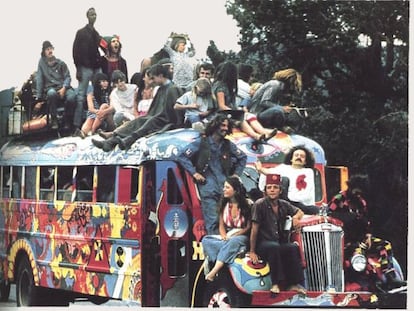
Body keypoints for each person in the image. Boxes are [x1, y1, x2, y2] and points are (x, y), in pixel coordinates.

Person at [329, 174, 406, 291]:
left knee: (385, 245)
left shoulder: (361, 202)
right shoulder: (339, 198)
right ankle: (365, 283)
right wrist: (349, 218)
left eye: (361, 191)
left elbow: (366, 220)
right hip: (344, 239)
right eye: (356, 190)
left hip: (360, 238)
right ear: (351, 187)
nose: (358, 193)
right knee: (358, 251)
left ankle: (390, 276)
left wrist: (368, 235)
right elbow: (329, 215)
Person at [175, 113, 247, 234]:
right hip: (208, 188)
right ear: (215, 125)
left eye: (227, 126)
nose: (225, 128)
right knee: (213, 222)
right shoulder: (201, 142)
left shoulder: (228, 145)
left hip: (225, 189)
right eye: (222, 125)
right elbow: (182, 156)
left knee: (228, 221)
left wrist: (236, 175)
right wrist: (194, 173)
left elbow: (243, 157)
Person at [92, 64, 182, 151]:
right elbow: (154, 110)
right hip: (157, 117)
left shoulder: (172, 89)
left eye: (153, 78)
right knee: (139, 120)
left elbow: (172, 113)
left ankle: (123, 140)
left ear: (161, 76)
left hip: (164, 121)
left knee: (149, 121)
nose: (152, 81)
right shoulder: (162, 89)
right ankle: (110, 141)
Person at [249, 173, 306, 294]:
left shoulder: (283, 204)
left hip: (278, 242)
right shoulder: (259, 204)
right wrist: (252, 251)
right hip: (263, 244)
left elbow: (300, 211)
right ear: (265, 190)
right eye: (269, 187)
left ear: (280, 190)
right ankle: (276, 283)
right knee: (273, 247)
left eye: (275, 187)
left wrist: (296, 218)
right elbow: (254, 230)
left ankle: (293, 284)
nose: (272, 190)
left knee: (292, 247)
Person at [212, 61, 278, 142]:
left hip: (229, 111)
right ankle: (256, 136)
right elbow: (221, 106)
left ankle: (263, 132)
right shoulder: (220, 87)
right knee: (240, 119)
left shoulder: (228, 87)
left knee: (249, 115)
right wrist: (235, 112)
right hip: (221, 113)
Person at [202, 176, 251, 282]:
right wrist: (224, 236)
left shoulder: (247, 204)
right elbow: (221, 225)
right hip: (228, 236)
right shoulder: (224, 204)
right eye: (224, 187)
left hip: (242, 236)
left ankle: (215, 270)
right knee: (206, 240)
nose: (224, 189)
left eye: (227, 187)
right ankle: (232, 252)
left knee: (234, 241)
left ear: (236, 190)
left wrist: (235, 235)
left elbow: (248, 227)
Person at [256, 145, 320, 215]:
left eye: (302, 156)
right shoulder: (283, 168)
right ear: (291, 159)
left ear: (305, 161)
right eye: (296, 155)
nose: (299, 157)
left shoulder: (308, 171)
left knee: (316, 210)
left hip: (303, 205)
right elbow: (271, 173)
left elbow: (305, 195)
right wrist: (260, 169)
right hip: (286, 204)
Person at [72, 7, 103, 133]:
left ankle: (100, 122)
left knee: (100, 93)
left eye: (95, 14)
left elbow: (104, 46)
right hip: (84, 67)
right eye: (91, 14)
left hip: (95, 67)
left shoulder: (96, 34)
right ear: (87, 16)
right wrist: (78, 68)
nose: (93, 16)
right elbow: (75, 51)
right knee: (80, 96)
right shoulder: (80, 32)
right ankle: (76, 126)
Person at [35, 40, 77, 130]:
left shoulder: (61, 63)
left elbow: (68, 77)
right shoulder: (41, 63)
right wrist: (39, 98)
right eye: (47, 49)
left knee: (72, 97)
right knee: (51, 93)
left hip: (63, 87)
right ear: (44, 52)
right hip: (51, 88)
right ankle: (54, 119)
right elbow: (39, 79)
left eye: (51, 48)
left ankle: (67, 120)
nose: (50, 51)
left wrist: (64, 88)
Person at [248, 68, 302, 133]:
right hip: (256, 113)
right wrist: (282, 108)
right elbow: (264, 102)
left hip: (265, 113)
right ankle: (280, 128)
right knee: (277, 111)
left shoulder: (281, 89)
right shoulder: (275, 85)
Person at [77, 72, 114, 137]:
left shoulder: (110, 93)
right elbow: (91, 109)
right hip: (95, 114)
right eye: (102, 81)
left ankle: (93, 130)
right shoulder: (91, 95)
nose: (105, 83)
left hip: (108, 114)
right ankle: (85, 132)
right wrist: (98, 112)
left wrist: (102, 111)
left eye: (106, 81)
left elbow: (112, 107)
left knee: (104, 106)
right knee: (87, 125)